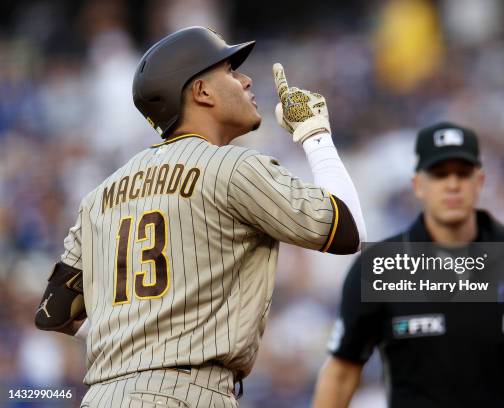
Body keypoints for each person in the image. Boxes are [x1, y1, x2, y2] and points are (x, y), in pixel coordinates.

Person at [34, 26, 366, 407]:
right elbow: (349, 230)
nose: (245, 79)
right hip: (188, 394)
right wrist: (315, 134)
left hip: (103, 396)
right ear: (201, 92)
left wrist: (133, 344)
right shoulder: (232, 167)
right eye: (229, 70)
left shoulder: (100, 195)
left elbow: (54, 311)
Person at [313, 122, 504, 408]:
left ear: (479, 181)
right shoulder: (380, 267)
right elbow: (342, 370)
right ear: (418, 184)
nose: (452, 184)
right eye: (439, 174)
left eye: (463, 174)